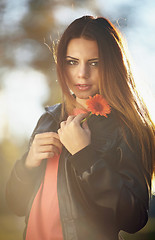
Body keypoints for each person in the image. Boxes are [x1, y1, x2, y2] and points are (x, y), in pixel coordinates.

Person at [6, 15, 155, 240]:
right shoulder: (48, 119)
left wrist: (86, 157)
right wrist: (28, 164)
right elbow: (15, 204)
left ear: (112, 65)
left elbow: (134, 218)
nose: (81, 74)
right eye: (72, 61)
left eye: (94, 63)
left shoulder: (126, 126)